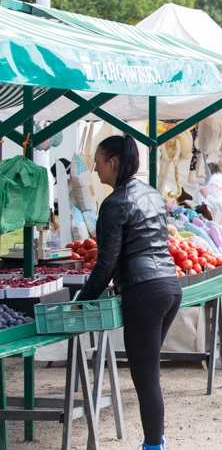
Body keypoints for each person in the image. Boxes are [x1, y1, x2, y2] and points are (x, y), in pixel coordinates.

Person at [79, 135, 182, 450]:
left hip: (144, 292)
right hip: (169, 287)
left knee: (146, 376)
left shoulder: (113, 204)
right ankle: (156, 442)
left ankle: (154, 446)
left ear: (112, 163)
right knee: (148, 372)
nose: (95, 169)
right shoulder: (152, 195)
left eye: (97, 162)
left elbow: (106, 265)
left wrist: (80, 303)